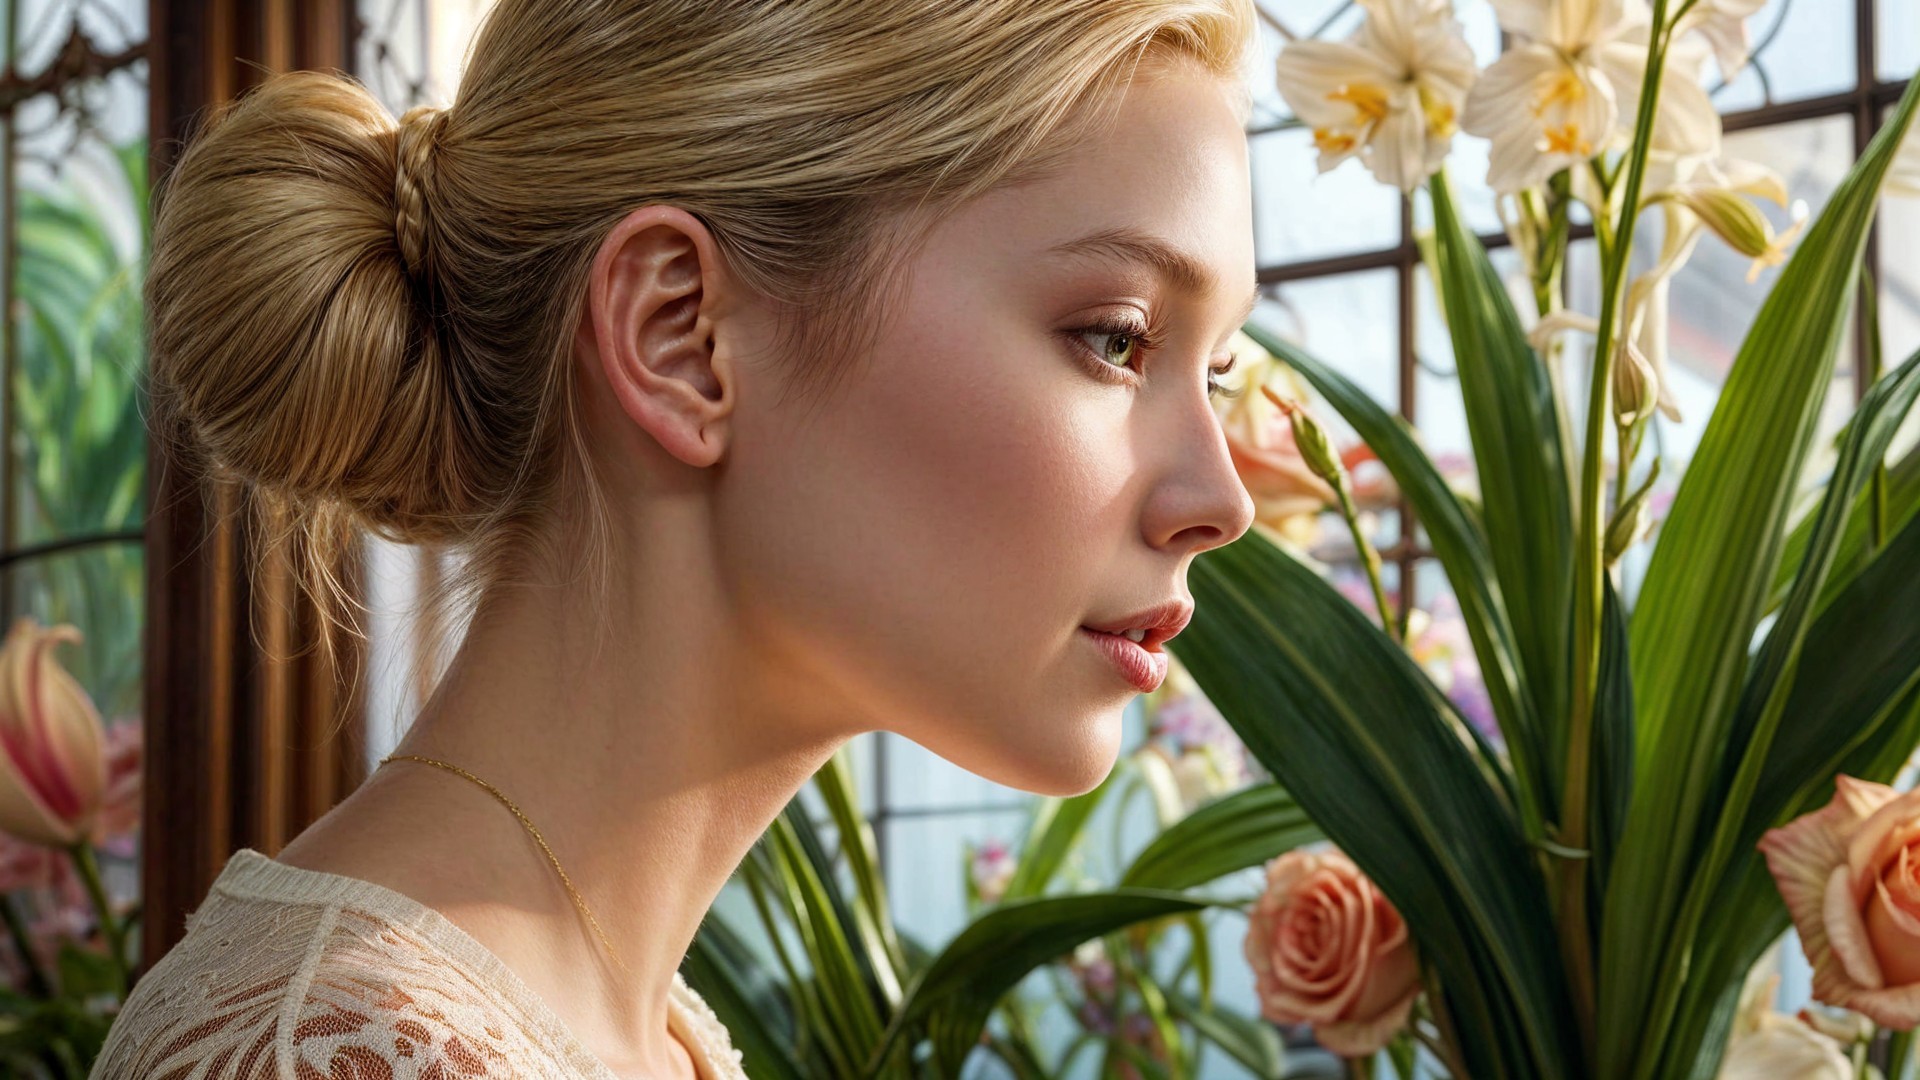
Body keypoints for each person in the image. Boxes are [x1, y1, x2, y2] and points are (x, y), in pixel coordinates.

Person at [92, 0, 1259, 1075]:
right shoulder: (356, 1053)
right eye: (1117, 339)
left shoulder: (620, 1032)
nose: (1224, 496)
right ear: (678, 337)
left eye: (1219, 368)